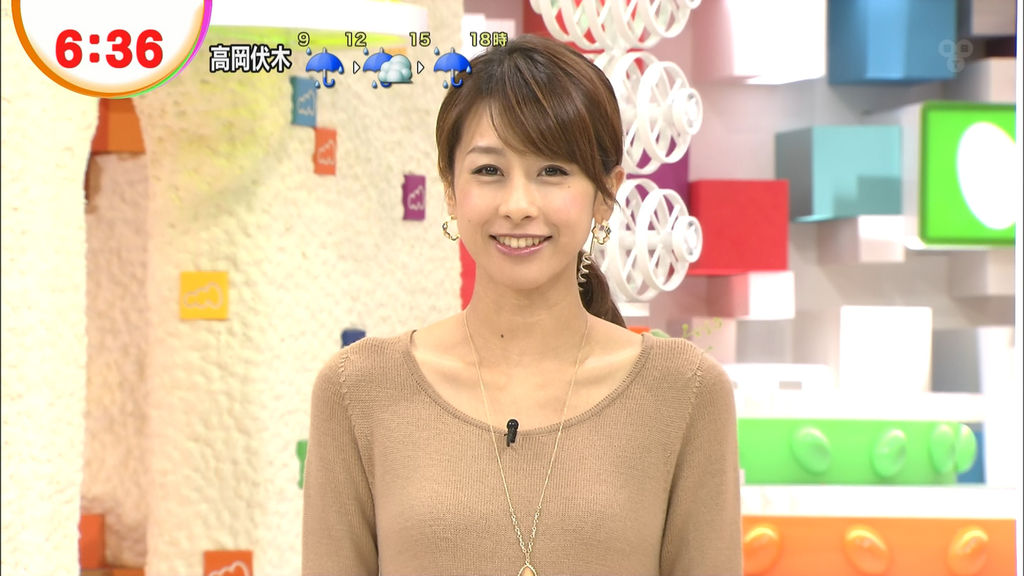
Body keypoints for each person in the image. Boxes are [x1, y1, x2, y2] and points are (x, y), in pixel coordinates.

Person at [302, 34, 742, 576]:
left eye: (552, 171)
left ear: (607, 193)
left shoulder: (685, 391)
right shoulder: (359, 389)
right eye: (489, 171)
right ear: (450, 188)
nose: (517, 206)